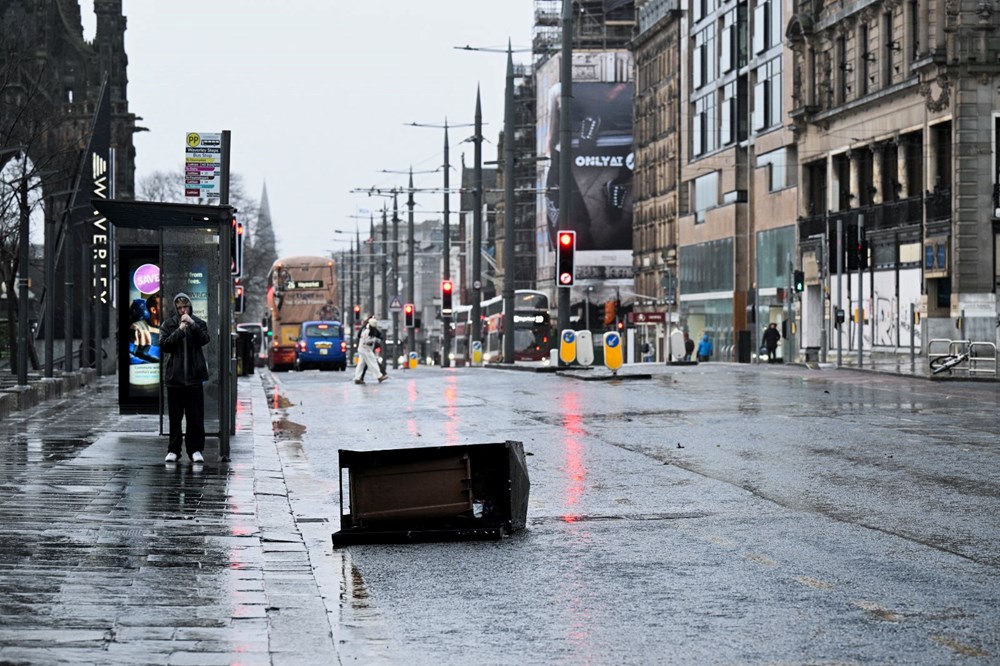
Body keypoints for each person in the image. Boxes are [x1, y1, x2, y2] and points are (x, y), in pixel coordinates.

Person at [159, 293, 211, 463]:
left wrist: (192, 325)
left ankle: (195, 449)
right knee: (175, 418)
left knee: (195, 417)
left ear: (190, 307)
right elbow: (165, 345)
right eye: (180, 307)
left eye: (185, 307)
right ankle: (173, 450)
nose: (183, 310)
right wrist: (180, 331)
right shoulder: (168, 324)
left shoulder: (199, 323)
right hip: (175, 379)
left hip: (194, 378)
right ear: (175, 308)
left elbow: (205, 339)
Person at [354, 316, 387, 385]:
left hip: (363, 348)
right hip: (366, 349)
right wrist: (375, 340)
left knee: (361, 364)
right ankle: (379, 376)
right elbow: (366, 341)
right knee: (373, 362)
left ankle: (357, 378)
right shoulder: (367, 331)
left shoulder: (366, 328)